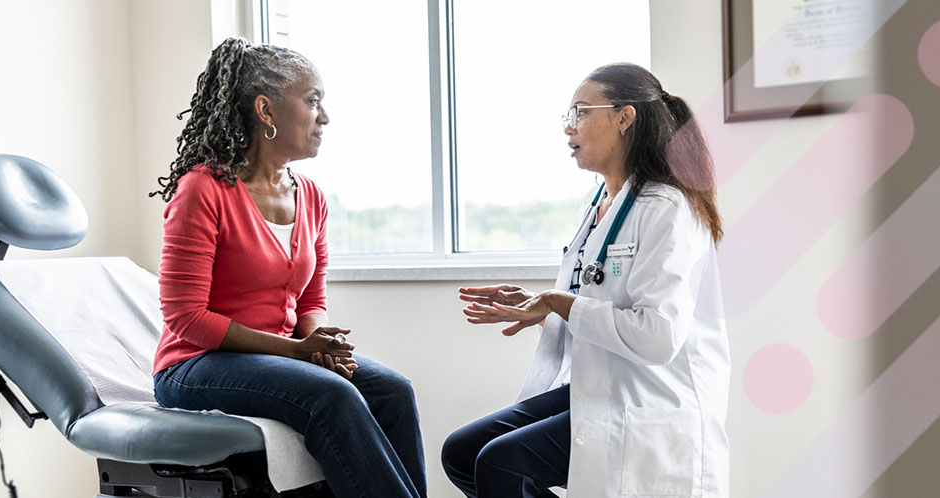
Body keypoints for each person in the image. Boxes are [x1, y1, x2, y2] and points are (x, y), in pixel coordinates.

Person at [148, 37, 426, 498]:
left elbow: (310, 300)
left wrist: (318, 342)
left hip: (277, 354)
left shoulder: (310, 195)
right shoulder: (203, 190)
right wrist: (295, 353)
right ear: (266, 109)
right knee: (329, 395)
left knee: (393, 391)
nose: (325, 116)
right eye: (313, 101)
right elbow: (186, 319)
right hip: (194, 365)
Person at [441, 63, 730, 498]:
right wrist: (539, 304)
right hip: (602, 381)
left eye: (579, 112)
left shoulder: (665, 208)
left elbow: (658, 335)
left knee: (502, 463)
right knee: (462, 453)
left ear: (624, 117)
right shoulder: (604, 202)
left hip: (650, 397)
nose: (568, 128)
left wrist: (560, 303)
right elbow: (598, 296)